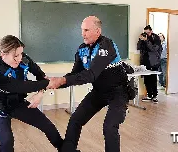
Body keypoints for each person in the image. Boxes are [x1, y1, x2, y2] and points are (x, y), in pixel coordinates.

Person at [47, 16, 130, 152]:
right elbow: (75, 75)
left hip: (118, 92)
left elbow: (91, 74)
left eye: (86, 30)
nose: (82, 34)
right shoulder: (82, 49)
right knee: (75, 119)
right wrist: (54, 82)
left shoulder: (107, 45)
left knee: (109, 127)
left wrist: (61, 81)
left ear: (97, 31)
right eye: (82, 30)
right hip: (99, 92)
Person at [0, 35, 64, 152]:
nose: (19, 58)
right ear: (3, 54)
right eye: (15, 56)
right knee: (6, 142)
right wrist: (47, 84)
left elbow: (41, 77)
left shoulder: (23, 59)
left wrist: (40, 94)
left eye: (21, 54)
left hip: (18, 103)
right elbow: (20, 87)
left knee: (48, 126)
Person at [137, 25, 162, 103]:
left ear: (151, 31)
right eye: (145, 33)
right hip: (145, 61)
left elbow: (154, 49)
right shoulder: (143, 38)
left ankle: (155, 96)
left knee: (153, 79)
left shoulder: (156, 38)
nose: (146, 34)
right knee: (146, 79)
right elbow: (138, 47)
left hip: (154, 62)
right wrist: (141, 40)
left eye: (148, 32)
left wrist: (147, 40)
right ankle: (149, 95)